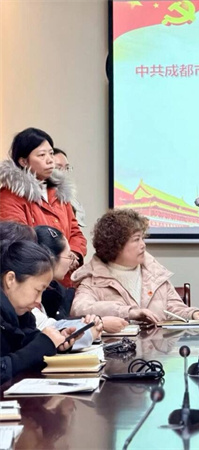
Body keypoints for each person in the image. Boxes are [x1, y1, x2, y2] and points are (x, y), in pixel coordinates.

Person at [71, 209, 199, 324]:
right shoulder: (93, 279)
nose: (143, 245)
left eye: (142, 238)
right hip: (116, 348)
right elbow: (79, 310)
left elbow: (174, 308)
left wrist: (192, 314)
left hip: (157, 349)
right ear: (115, 245)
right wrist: (129, 312)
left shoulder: (154, 273)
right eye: (136, 239)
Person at [0, 128, 87, 282]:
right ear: (23, 161)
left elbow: (75, 232)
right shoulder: (9, 197)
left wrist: (73, 253)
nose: (50, 160)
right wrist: (61, 258)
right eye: (41, 155)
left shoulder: (59, 192)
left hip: (67, 279)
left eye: (51, 153)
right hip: (34, 280)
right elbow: (20, 244)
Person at [0, 240, 79, 383]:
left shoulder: (23, 316)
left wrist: (55, 342)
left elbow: (27, 340)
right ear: (10, 279)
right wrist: (40, 347)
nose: (39, 300)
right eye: (37, 290)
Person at [34, 225, 128, 335]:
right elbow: (50, 330)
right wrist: (99, 324)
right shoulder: (45, 294)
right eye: (69, 256)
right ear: (51, 259)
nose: (72, 262)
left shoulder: (56, 290)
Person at [52, 148, 86, 227]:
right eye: (58, 168)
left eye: (67, 168)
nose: (64, 172)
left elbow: (76, 229)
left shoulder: (71, 200)